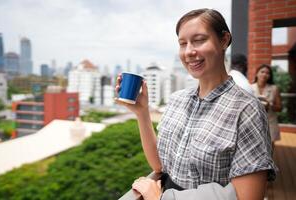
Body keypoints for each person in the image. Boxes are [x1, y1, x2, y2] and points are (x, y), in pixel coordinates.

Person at [115, 8, 276, 200]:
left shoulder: (247, 109)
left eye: (199, 40)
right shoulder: (177, 100)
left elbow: (248, 196)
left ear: (224, 40)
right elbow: (159, 166)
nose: (189, 51)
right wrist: (142, 112)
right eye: (183, 44)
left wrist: (162, 198)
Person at [251, 64, 282, 148]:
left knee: (269, 149)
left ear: (269, 76)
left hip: (270, 123)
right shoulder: (250, 88)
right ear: (257, 74)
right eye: (262, 72)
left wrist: (270, 105)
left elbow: (280, 108)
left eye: (267, 73)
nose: (264, 74)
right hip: (254, 123)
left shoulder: (274, 89)